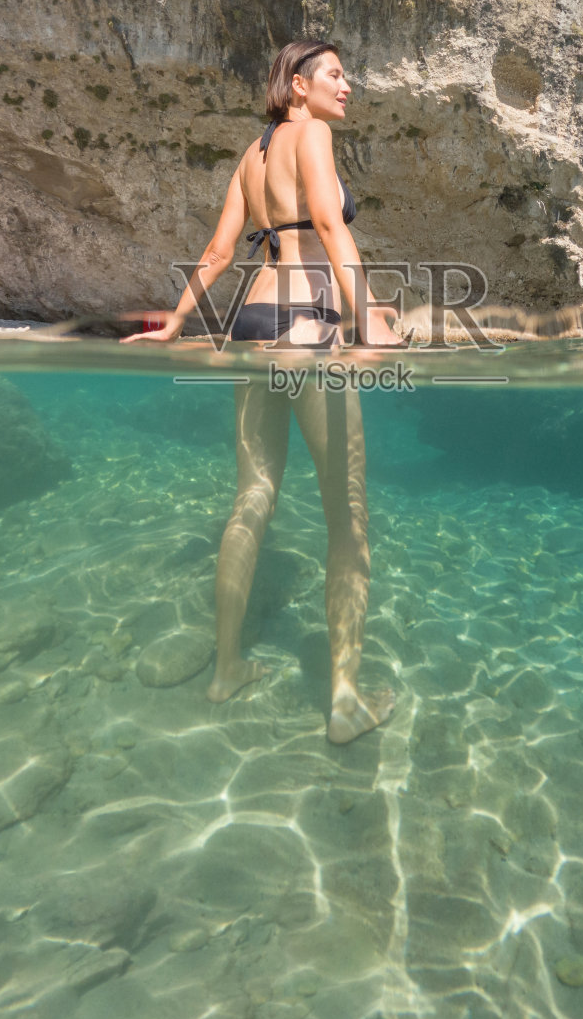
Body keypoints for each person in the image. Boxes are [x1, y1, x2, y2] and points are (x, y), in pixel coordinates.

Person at [123, 39, 401, 743]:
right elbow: (331, 225)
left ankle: (226, 668)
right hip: (309, 326)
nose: (349, 86)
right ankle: (343, 700)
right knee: (349, 515)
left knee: (253, 496)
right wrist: (370, 321)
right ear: (299, 87)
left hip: (251, 322)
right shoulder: (312, 135)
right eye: (336, 75)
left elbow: (218, 253)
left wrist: (173, 324)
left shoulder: (252, 155)